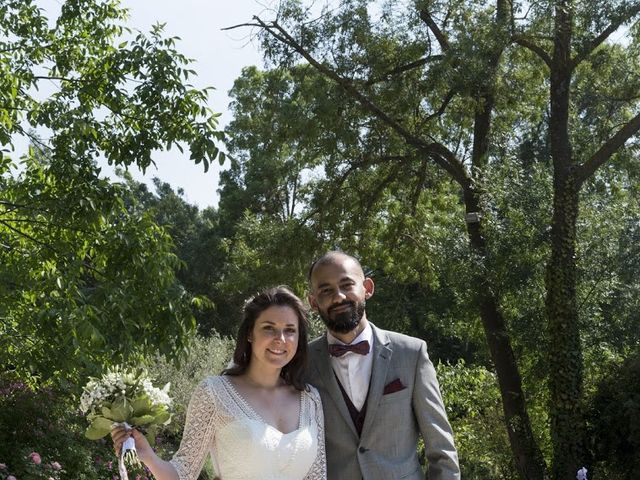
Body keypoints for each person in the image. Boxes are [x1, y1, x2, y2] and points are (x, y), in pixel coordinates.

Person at [112, 286, 327, 480]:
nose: (280, 338)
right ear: (250, 333)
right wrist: (148, 455)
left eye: (290, 330)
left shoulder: (310, 399)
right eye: (269, 328)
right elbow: (183, 473)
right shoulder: (214, 393)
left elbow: (318, 477)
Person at [305, 251, 460, 479]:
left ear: (367, 287)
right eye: (325, 290)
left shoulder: (411, 353)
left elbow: (442, 450)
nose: (338, 297)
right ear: (313, 302)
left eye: (347, 284)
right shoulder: (302, 362)